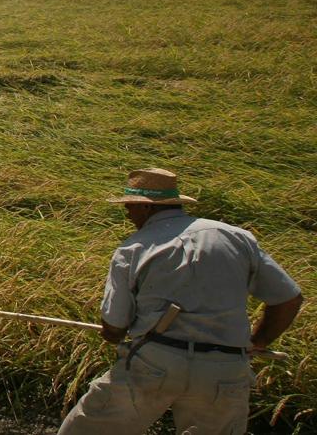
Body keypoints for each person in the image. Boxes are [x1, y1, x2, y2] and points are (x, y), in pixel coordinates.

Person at [58, 168, 303, 434]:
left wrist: (112, 333)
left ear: (147, 208)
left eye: (129, 206)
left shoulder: (134, 248)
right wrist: (258, 342)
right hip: (225, 370)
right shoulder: (237, 238)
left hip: (155, 364)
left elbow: (116, 327)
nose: (127, 213)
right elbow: (288, 299)